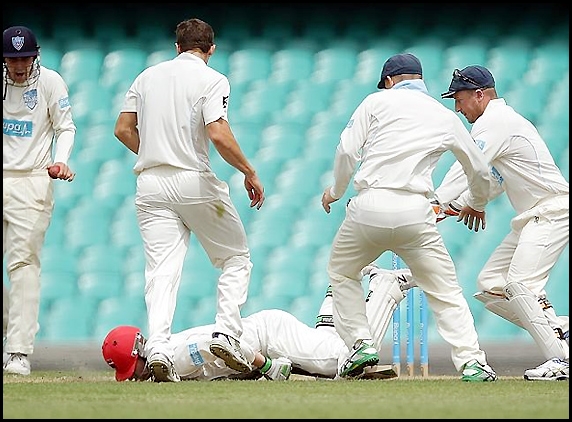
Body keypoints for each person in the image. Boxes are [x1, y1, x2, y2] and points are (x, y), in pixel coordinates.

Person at [320, 53, 497, 381]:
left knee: (342, 272)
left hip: (369, 206)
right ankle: (472, 362)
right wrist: (478, 202)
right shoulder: (443, 116)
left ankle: (360, 343)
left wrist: (335, 191)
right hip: (416, 211)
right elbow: (480, 169)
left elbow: (346, 150)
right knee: (444, 290)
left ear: (389, 81)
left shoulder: (375, 102)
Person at [113, 18, 265, 383]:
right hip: (193, 182)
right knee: (235, 257)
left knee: (162, 272)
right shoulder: (213, 79)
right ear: (210, 49)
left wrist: (151, 152)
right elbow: (217, 132)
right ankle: (227, 333)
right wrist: (249, 171)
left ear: (176, 47)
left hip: (150, 184)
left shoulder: (147, 76)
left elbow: (122, 129)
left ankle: (160, 350)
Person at [437, 65, 569, 381]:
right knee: (491, 285)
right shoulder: (498, 124)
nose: (457, 107)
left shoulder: (494, 123)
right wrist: (463, 204)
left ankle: (562, 360)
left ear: (480, 94)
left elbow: (469, 167)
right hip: (533, 216)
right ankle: (561, 330)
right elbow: (494, 179)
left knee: (520, 285)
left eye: (459, 98)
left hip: (552, 211)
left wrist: (436, 201)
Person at [101, 267, 404, 382]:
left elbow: (218, 341)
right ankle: (335, 294)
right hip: (265, 333)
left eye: (129, 370)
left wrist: (266, 366)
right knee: (328, 352)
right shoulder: (165, 359)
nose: (131, 379)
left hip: (268, 336)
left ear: (139, 355)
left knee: (338, 364)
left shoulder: (174, 357)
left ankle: (386, 285)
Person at [3, 26, 76, 376]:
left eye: (24, 58)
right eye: (12, 58)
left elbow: (66, 127)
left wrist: (61, 160)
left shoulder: (50, 81)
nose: (19, 66)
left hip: (32, 180)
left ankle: (18, 351)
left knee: (23, 265)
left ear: (35, 55)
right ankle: (9, 327)